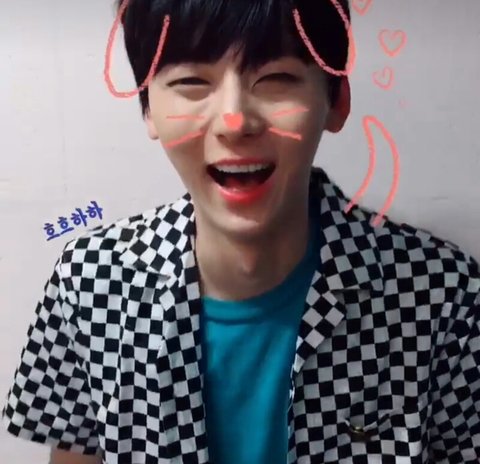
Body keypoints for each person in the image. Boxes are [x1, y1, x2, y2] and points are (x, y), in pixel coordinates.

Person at [3, 0, 480, 463]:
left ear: (337, 100)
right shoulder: (90, 283)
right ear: (148, 108)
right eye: (192, 82)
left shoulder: (442, 294)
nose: (235, 122)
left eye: (276, 78)